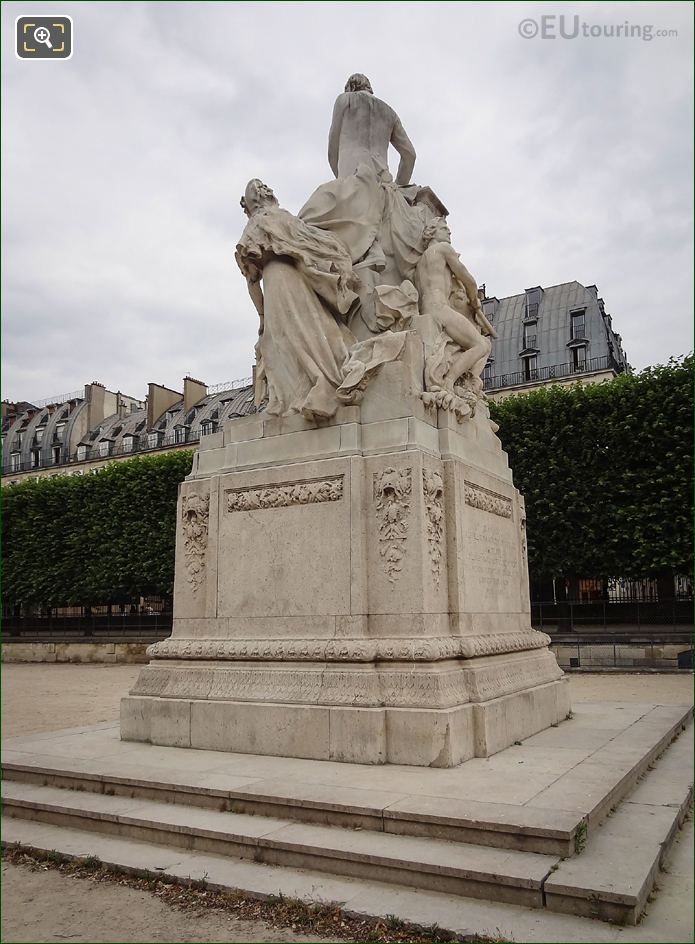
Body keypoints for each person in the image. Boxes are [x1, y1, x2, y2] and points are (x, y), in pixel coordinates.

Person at [416, 217, 497, 397]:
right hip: (440, 309)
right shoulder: (443, 249)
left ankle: (464, 379)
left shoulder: (421, 261)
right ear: (431, 232)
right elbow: (468, 279)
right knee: (481, 345)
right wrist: (474, 299)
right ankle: (449, 381)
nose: (449, 232)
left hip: (427, 308)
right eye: (444, 228)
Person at [328, 73, 416, 186]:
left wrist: (340, 178)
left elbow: (333, 149)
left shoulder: (344, 99)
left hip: (351, 174)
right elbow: (410, 155)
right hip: (382, 181)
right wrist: (398, 188)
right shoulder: (390, 113)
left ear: (351, 87)